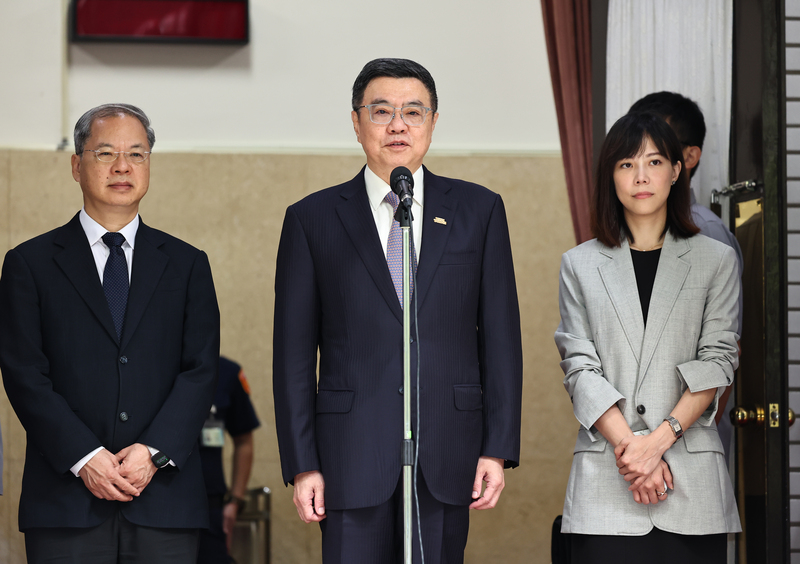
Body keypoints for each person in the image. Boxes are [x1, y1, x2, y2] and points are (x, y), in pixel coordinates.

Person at [272, 58, 523, 563]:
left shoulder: (479, 210)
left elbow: (500, 339)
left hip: (448, 452)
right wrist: (303, 464)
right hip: (348, 457)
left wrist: (496, 447)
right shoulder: (312, 218)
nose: (398, 124)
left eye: (414, 111)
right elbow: (293, 357)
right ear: (356, 121)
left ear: (433, 121)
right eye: (381, 111)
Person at [0, 103, 220, 563]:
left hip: (166, 502)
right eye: (105, 153)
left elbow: (200, 370)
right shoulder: (30, 264)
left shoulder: (187, 264)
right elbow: (24, 373)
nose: (123, 167)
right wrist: (85, 456)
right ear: (77, 166)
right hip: (64, 503)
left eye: (137, 154)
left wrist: (153, 453)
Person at [554, 112, 741, 563]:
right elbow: (579, 368)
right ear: (610, 176)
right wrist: (632, 451)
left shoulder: (715, 259)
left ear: (676, 171)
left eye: (654, 162)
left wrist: (656, 443)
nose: (641, 176)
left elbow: (718, 361)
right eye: (625, 164)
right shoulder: (579, 264)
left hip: (691, 484)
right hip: (604, 484)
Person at [628, 93, 744, 458]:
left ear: (687, 159)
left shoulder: (705, 234)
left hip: (687, 438)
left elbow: (723, 351)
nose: (642, 171)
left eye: (657, 154)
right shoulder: (613, 242)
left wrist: (677, 437)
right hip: (632, 441)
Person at [198, 356, 260, 564]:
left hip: (209, 505)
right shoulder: (152, 367)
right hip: (157, 503)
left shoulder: (227, 372)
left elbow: (244, 441)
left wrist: (235, 500)